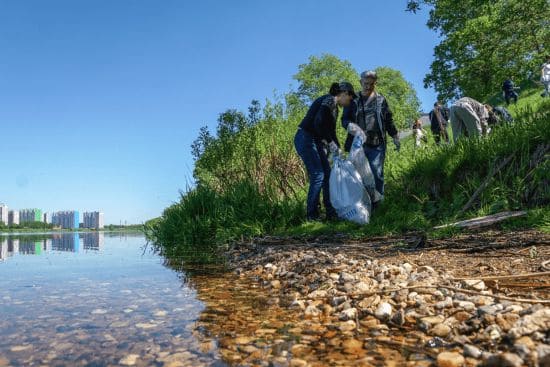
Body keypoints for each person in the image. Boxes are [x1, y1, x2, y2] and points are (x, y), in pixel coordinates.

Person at [294, 82, 357, 221]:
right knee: (318, 174)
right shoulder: (329, 100)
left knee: (327, 175)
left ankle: (330, 213)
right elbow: (319, 123)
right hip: (305, 138)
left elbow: (330, 131)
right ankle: (312, 215)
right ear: (344, 93)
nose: (350, 102)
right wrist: (331, 143)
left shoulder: (335, 108)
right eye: (350, 98)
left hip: (314, 141)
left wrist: (338, 148)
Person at [341, 70, 400, 204]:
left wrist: (395, 136)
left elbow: (388, 119)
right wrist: (350, 126)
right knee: (358, 176)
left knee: (376, 173)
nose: (368, 86)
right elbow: (344, 119)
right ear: (360, 82)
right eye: (365, 83)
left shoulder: (381, 99)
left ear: (375, 83)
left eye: (371, 84)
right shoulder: (353, 99)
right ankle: (362, 204)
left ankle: (378, 204)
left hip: (377, 143)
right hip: (357, 145)